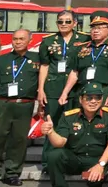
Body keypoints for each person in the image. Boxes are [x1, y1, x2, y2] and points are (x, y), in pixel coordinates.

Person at [43, 82, 108, 187]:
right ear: (81, 99)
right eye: (89, 98)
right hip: (75, 158)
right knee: (53, 155)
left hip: (97, 160)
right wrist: (51, 132)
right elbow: (60, 142)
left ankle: (96, 185)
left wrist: (100, 165)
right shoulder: (69, 116)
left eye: (97, 98)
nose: (93, 101)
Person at [0, 29, 39, 187]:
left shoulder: (37, 60)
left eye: (21, 39)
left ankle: (12, 173)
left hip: (25, 105)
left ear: (30, 41)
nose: (18, 42)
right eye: (15, 39)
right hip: (3, 104)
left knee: (19, 140)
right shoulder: (1, 60)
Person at [37, 11, 90, 170]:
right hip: (53, 87)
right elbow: (44, 66)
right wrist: (41, 89)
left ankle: (70, 159)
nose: (64, 25)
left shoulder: (84, 40)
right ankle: (48, 162)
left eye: (68, 21)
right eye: (61, 22)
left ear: (75, 23)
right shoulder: (48, 41)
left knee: (74, 124)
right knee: (51, 122)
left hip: (76, 88)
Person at [61, 12, 108, 109]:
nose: (95, 31)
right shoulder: (81, 48)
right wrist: (65, 92)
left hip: (103, 92)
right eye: (93, 28)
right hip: (83, 91)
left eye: (99, 28)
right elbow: (75, 72)